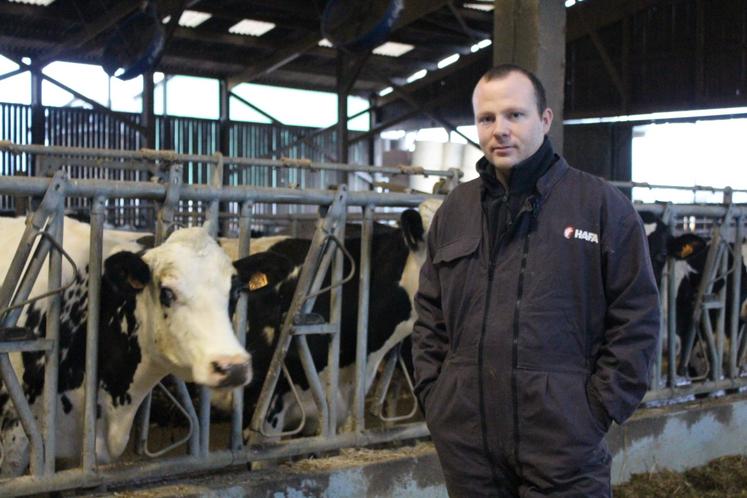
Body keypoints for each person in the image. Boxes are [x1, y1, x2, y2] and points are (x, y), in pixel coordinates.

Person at [411, 64, 660, 497]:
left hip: (563, 442)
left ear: (544, 120)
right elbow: (429, 313)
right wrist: (436, 395)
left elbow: (636, 317)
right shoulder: (455, 209)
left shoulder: (600, 206)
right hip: (468, 442)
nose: (499, 130)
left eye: (515, 115)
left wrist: (596, 409)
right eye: (487, 119)